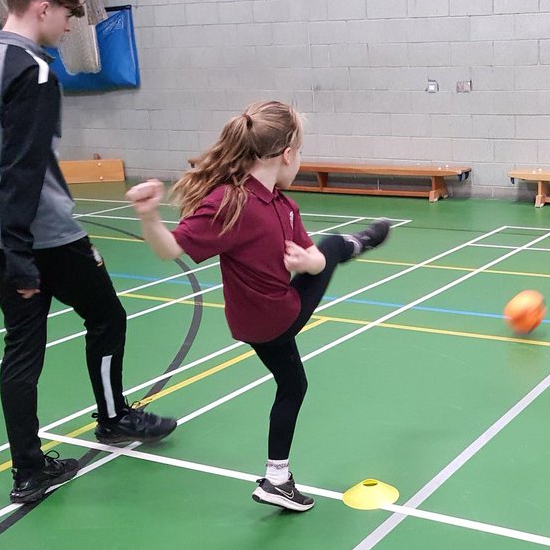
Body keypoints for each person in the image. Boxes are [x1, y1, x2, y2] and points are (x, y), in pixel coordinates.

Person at [0, 0, 177, 503]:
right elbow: (24, 165)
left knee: (22, 346)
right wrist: (20, 251)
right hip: (43, 234)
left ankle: (29, 469)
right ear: (41, 7)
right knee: (107, 317)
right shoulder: (31, 68)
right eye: (67, 13)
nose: (70, 23)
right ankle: (113, 417)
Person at [125, 101, 390, 512]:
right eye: (299, 152)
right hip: (278, 317)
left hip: (248, 321)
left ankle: (277, 479)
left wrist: (310, 261)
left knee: (293, 384)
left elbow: (170, 248)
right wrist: (148, 216)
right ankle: (361, 242)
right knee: (335, 246)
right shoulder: (241, 204)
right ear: (286, 154)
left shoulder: (259, 202)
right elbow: (172, 247)